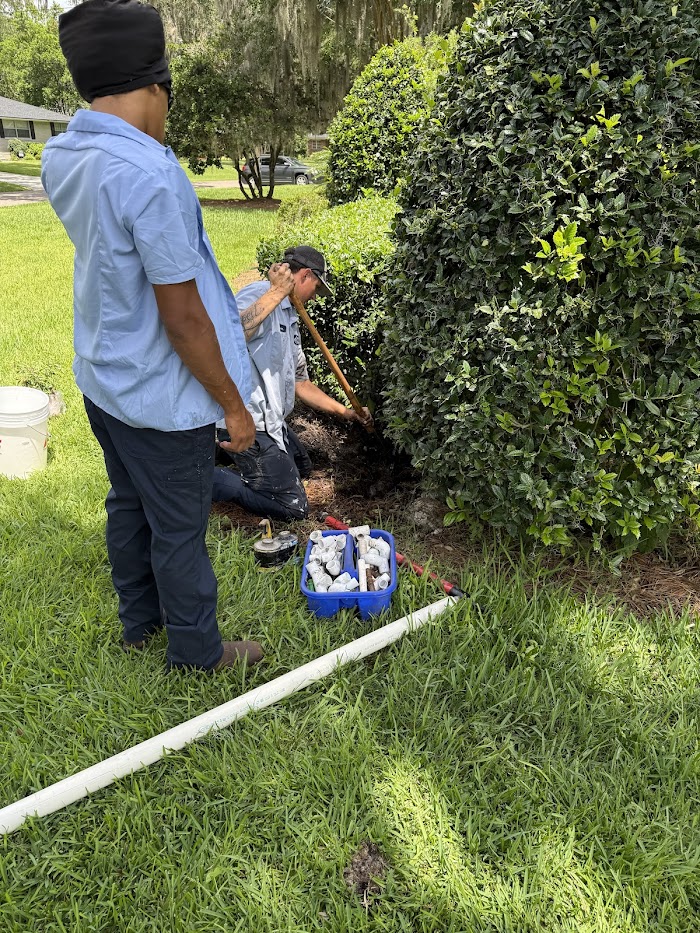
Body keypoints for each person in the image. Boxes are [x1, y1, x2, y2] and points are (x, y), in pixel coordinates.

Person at [43, 0, 263, 672]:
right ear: (154, 89)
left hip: (104, 379)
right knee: (178, 528)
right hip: (162, 399)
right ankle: (199, 652)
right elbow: (184, 318)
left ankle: (140, 622)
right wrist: (231, 404)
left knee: (127, 502)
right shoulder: (151, 174)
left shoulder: (64, 155)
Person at [212, 245, 373, 521]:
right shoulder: (260, 294)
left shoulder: (291, 316)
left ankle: (222, 452)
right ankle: (207, 477)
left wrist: (346, 412)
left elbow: (301, 384)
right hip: (246, 419)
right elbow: (227, 339)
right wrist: (275, 293)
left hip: (272, 421)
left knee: (303, 466)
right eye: (316, 288)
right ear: (306, 275)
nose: (314, 297)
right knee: (293, 506)